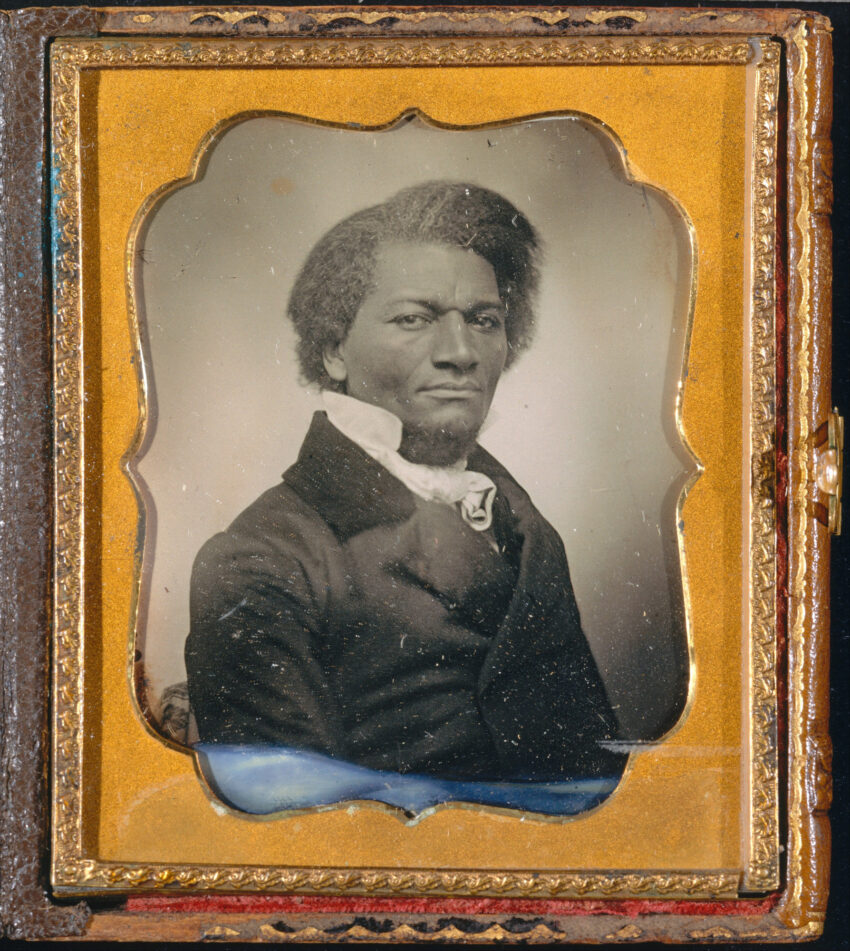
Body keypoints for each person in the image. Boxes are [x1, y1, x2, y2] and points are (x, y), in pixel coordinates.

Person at [185, 181, 625, 785]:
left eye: (483, 320)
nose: (460, 352)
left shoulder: (522, 526)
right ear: (334, 349)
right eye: (415, 319)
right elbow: (294, 834)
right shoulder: (264, 556)